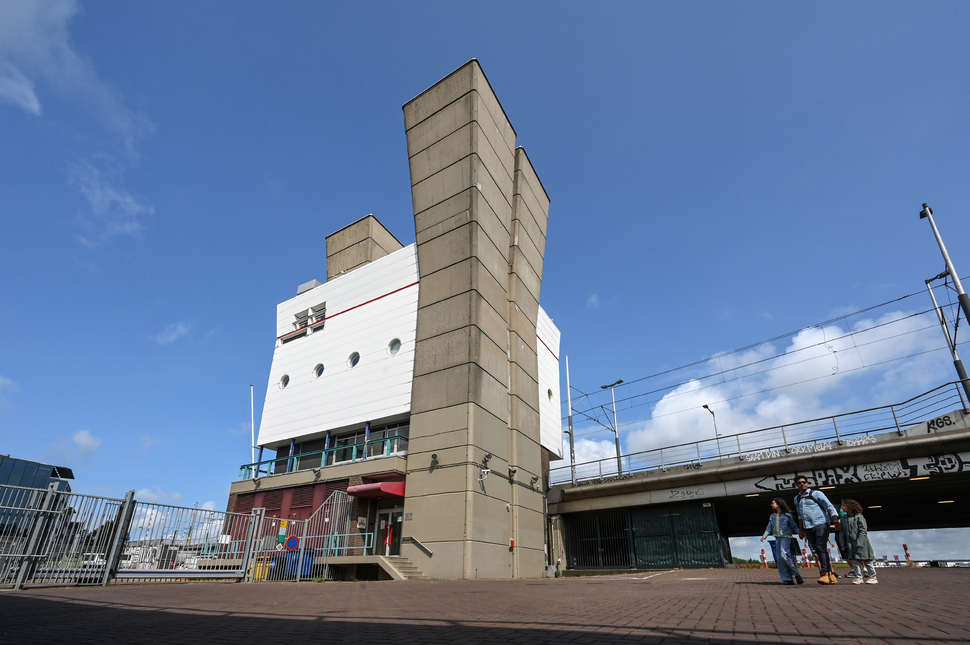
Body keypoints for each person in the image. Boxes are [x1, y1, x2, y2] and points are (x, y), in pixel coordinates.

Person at [793, 475, 841, 584]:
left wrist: (835, 520)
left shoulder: (816, 494)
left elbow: (829, 506)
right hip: (808, 526)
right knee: (816, 549)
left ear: (808, 483)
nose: (802, 484)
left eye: (804, 482)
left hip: (821, 523)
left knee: (821, 547)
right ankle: (831, 576)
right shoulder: (797, 498)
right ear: (796, 485)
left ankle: (825, 573)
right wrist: (801, 530)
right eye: (800, 483)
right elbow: (800, 515)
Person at [761, 498, 803, 585]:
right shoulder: (772, 516)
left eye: (773, 503)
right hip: (777, 538)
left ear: (779, 504)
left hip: (786, 537)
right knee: (780, 559)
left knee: (784, 556)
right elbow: (769, 527)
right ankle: (787, 579)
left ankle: (797, 574)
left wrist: (800, 532)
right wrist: (765, 535)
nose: (771, 505)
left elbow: (793, 526)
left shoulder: (787, 515)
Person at [836, 498, 877, 585]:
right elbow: (842, 531)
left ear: (850, 507)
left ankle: (873, 577)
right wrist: (842, 543)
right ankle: (858, 577)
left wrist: (860, 542)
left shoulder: (859, 517)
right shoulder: (844, 518)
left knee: (867, 560)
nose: (842, 508)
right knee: (855, 561)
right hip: (850, 544)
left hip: (862, 543)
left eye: (844, 506)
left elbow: (863, 530)